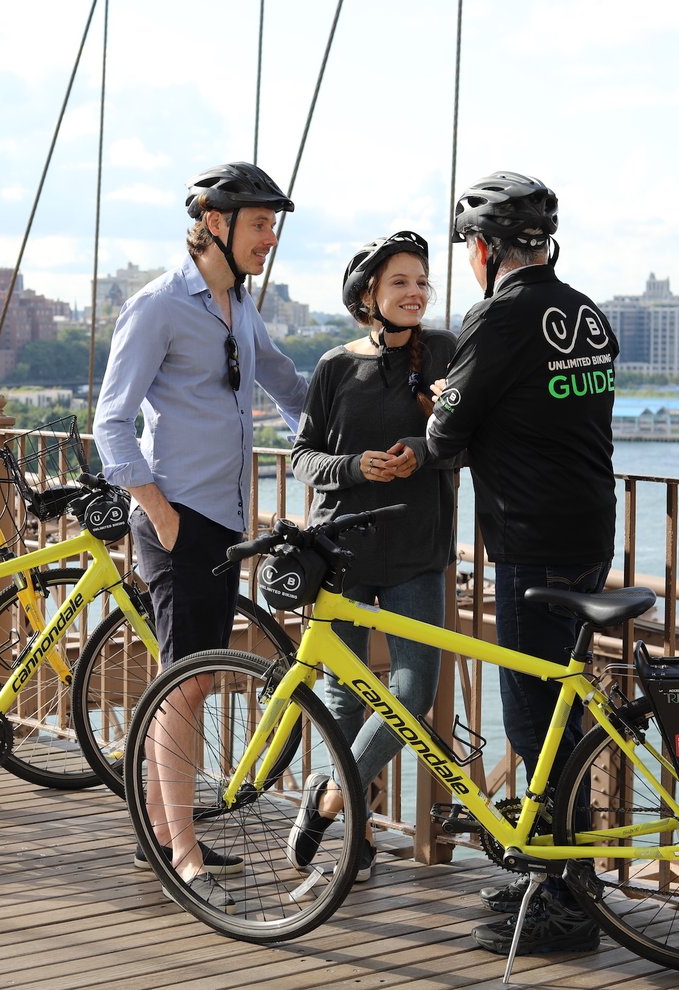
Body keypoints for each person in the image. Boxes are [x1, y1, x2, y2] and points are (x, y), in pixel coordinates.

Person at [92, 161, 307, 913]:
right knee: (185, 686)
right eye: (258, 225)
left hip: (222, 520)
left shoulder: (237, 305)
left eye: (272, 225)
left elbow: (287, 386)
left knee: (194, 679)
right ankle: (182, 853)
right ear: (215, 223)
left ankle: (164, 827)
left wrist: (372, 422)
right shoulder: (157, 306)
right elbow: (111, 421)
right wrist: (158, 508)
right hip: (179, 518)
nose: (269, 238)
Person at [421, 172, 619, 955]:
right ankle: (550, 872)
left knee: (536, 722)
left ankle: (570, 905)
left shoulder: (498, 317)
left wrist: (445, 400)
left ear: (482, 250)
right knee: (558, 715)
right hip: (589, 532)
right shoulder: (587, 314)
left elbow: (444, 439)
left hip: (530, 540)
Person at [284, 230, 458, 883]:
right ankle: (355, 836)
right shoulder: (335, 366)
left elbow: (469, 440)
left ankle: (329, 799)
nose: (415, 293)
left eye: (421, 282)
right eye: (400, 283)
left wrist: (424, 448)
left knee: (412, 693)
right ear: (368, 296)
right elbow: (303, 457)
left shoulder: (445, 353)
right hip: (345, 552)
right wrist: (357, 465)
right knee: (346, 697)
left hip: (418, 552)